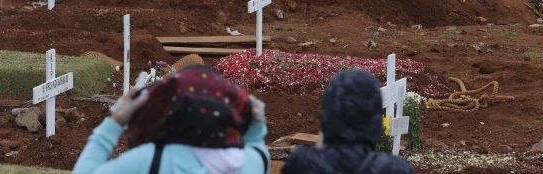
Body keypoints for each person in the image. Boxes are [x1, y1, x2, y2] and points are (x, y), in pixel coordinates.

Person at [73, 66, 270, 174]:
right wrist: (256, 126)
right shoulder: (251, 162)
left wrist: (115, 121)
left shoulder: (150, 159)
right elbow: (256, 145)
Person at [282, 69, 414, 174]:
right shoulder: (395, 169)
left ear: (326, 117)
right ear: (376, 122)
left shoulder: (302, 165)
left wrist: (323, 147)